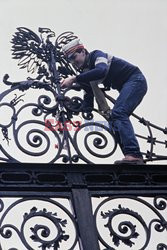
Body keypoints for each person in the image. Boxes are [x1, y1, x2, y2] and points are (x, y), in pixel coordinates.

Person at [61, 39, 147, 165]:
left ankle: (133, 154)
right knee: (114, 119)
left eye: (74, 57)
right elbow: (88, 103)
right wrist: (72, 105)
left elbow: (102, 70)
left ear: (83, 51)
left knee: (119, 113)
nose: (74, 62)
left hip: (136, 80)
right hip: (128, 85)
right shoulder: (86, 73)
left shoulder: (97, 55)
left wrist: (74, 78)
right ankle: (131, 157)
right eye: (71, 60)